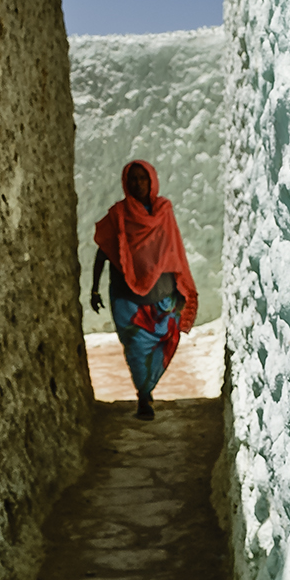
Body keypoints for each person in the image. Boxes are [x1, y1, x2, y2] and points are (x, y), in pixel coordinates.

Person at [88, 159, 199, 420]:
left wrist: (182, 288)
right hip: (127, 298)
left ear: (152, 181)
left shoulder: (164, 212)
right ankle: (143, 396)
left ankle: (147, 388)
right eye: (133, 179)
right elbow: (103, 251)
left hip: (163, 297)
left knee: (167, 339)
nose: (137, 183)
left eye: (142, 178)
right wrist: (94, 289)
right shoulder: (118, 215)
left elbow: (175, 251)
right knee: (136, 349)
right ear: (125, 183)